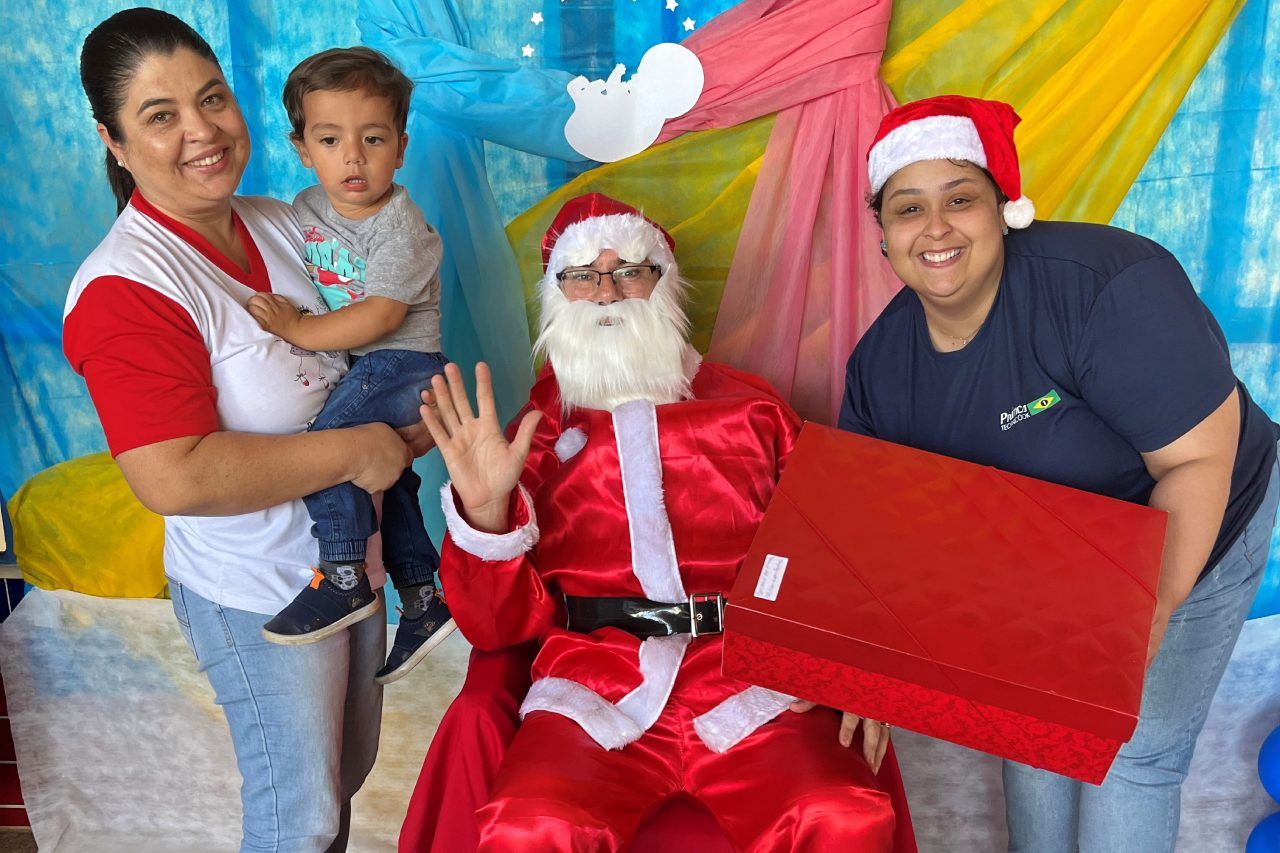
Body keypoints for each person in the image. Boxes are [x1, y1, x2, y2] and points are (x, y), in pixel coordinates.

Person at [840, 94, 1280, 853]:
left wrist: (1146, 611)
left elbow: (1195, 458)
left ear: (1004, 209)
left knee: (1130, 751)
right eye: (909, 207)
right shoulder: (882, 367)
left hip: (1194, 510)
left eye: (960, 198)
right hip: (1047, 549)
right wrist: (867, 664)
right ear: (883, 235)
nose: (936, 227)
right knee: (1037, 734)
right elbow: (874, 526)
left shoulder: (1105, 286)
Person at [417, 193, 908, 851]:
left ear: (664, 284)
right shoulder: (531, 438)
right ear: (557, 295)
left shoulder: (753, 411)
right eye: (583, 275)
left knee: (842, 813)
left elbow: (833, 556)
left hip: (748, 684)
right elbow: (494, 626)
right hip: (594, 688)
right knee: (531, 824)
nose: (607, 291)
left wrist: (855, 664)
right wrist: (485, 514)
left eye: (630, 270)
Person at [66, 9, 427, 850]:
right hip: (258, 588)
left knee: (339, 786)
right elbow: (174, 477)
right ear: (113, 141)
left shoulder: (279, 219)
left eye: (213, 98)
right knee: (297, 817)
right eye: (161, 117)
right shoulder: (128, 286)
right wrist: (361, 450)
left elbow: (361, 348)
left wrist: (415, 422)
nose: (202, 132)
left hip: (349, 563)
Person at [247, 47, 455, 685]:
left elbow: (382, 314)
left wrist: (299, 330)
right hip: (368, 367)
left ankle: (342, 575)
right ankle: (421, 596)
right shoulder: (305, 208)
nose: (354, 158)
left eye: (373, 138)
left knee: (328, 450)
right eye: (331, 140)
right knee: (387, 481)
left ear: (400, 145)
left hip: (402, 362)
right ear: (304, 148)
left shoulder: (402, 226)